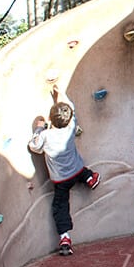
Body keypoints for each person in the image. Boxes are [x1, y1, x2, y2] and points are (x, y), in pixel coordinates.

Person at [29, 85, 100, 255]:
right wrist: (60, 93)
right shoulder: (71, 127)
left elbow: (34, 147)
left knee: (60, 206)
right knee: (83, 172)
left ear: (50, 120)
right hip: (76, 170)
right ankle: (90, 179)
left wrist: (39, 128)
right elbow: (71, 108)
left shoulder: (46, 136)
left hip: (61, 180)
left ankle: (64, 236)